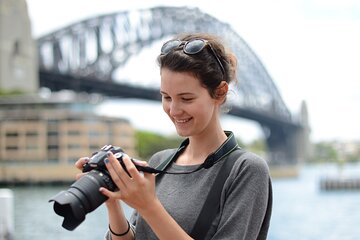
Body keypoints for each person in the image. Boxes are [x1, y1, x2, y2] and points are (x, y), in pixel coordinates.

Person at [75, 32, 272, 240]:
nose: (174, 110)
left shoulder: (246, 170)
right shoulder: (161, 161)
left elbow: (152, 212)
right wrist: (111, 200)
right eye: (166, 97)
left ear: (220, 92)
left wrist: (149, 206)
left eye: (186, 98)